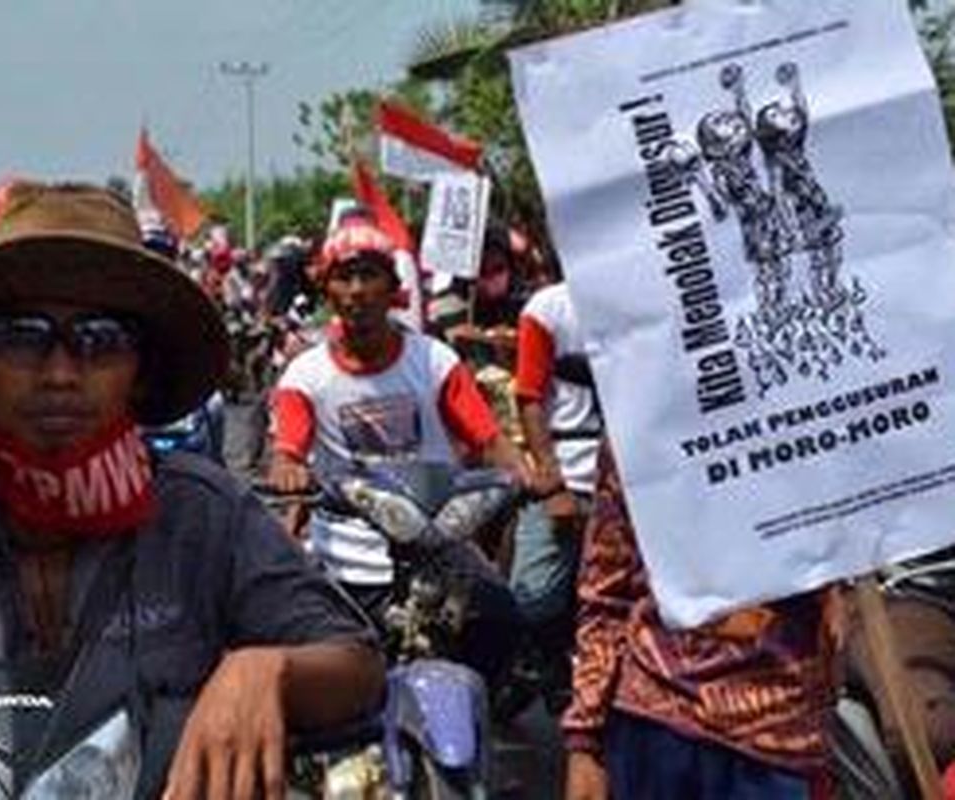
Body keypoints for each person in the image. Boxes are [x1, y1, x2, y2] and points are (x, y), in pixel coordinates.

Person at [0, 181, 384, 799]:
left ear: (140, 371)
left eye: (100, 340)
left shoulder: (204, 518)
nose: (60, 373)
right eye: (21, 336)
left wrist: (266, 672)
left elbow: (355, 663)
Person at [267, 218, 549, 683]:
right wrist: (287, 468)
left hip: (436, 545)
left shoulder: (434, 359)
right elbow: (289, 449)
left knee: (503, 623)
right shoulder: (304, 374)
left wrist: (524, 471)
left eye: (369, 275)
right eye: (344, 277)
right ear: (327, 290)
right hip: (348, 558)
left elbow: (488, 439)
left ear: (393, 286)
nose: (357, 290)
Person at [563, 445, 835, 800]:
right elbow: (606, 591)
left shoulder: (820, 430)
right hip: (656, 726)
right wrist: (584, 739)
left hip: (780, 734)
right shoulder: (636, 428)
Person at [510, 277, 603, 696]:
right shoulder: (548, 307)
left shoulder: (646, 294)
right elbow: (528, 396)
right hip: (571, 468)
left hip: (632, 483)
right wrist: (552, 483)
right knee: (532, 599)